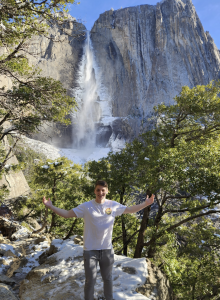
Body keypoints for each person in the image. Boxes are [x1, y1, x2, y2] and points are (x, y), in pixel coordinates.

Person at [42, 180, 154, 300]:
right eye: (98, 190)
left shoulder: (113, 205)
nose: (100, 192)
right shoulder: (86, 206)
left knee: (108, 279)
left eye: (103, 190)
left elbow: (130, 210)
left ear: (107, 191)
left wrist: (146, 204)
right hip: (90, 250)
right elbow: (67, 214)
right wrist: (50, 206)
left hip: (107, 250)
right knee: (90, 281)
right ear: (95, 191)